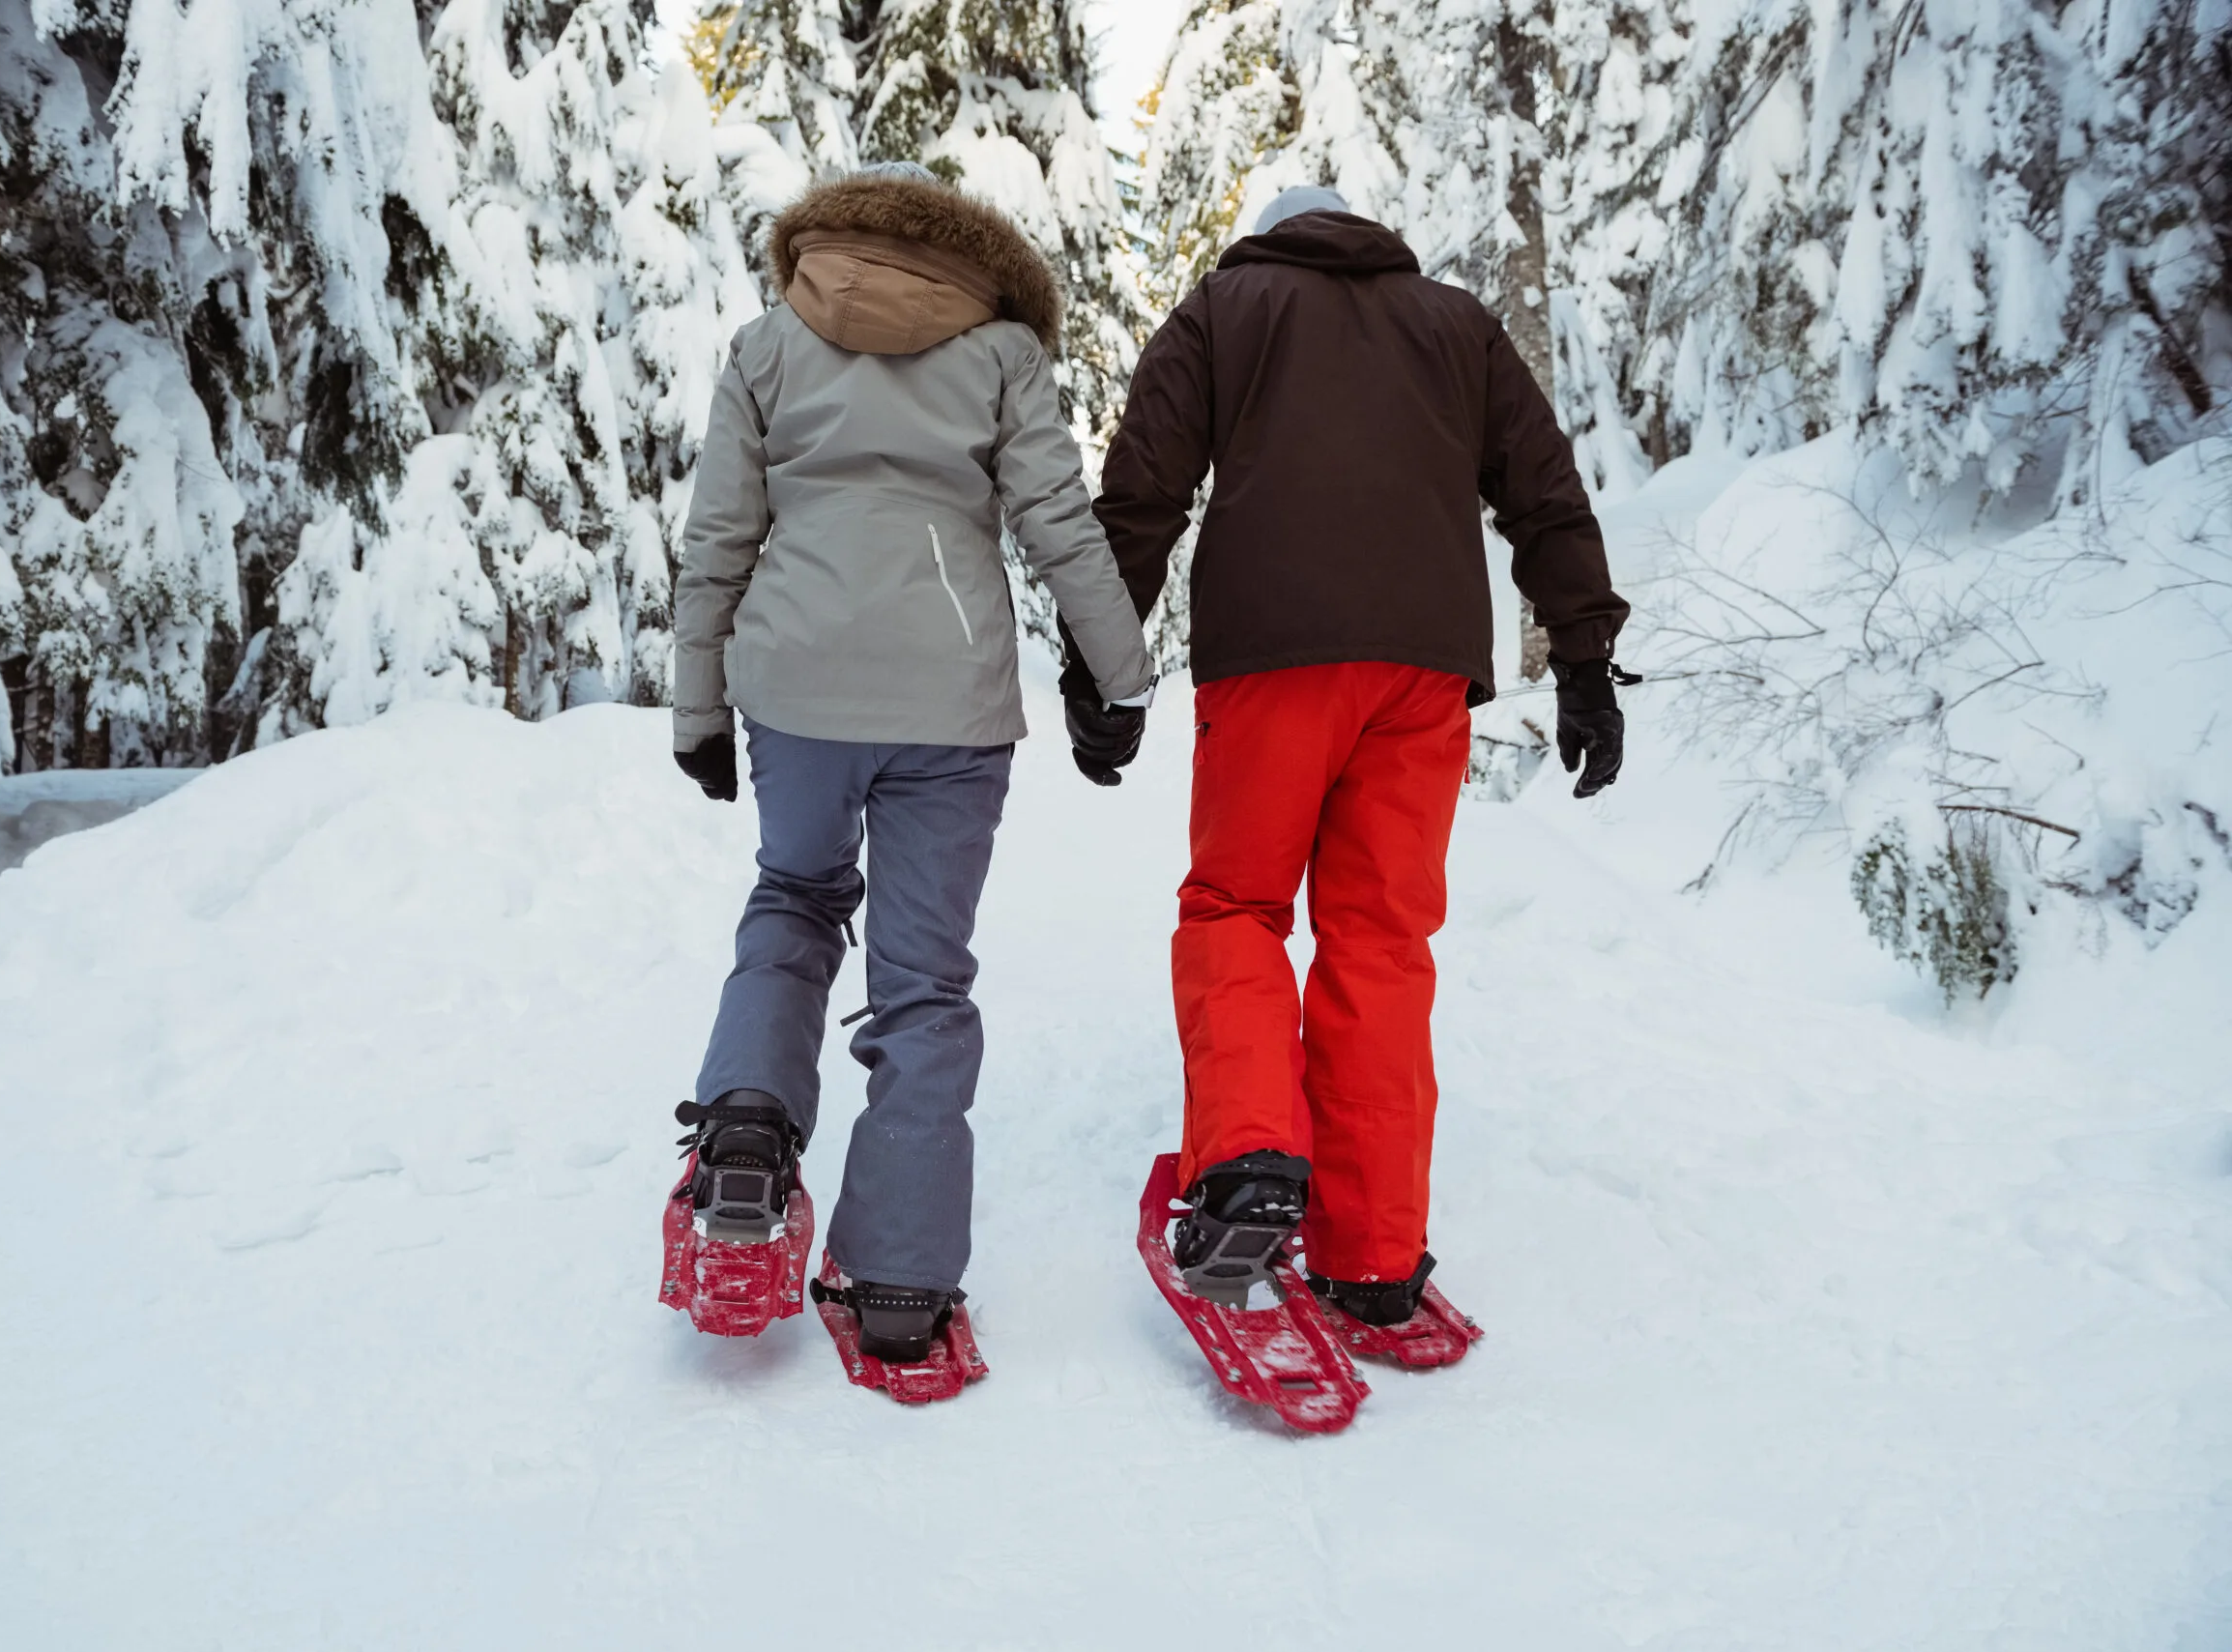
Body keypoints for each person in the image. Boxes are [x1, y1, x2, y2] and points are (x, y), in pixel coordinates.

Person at [1070, 184, 1631, 1324]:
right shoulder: (1457, 323)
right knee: (1381, 937)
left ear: (1270, 238)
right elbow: (1544, 491)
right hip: (1422, 672)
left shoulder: (1224, 309)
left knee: (1235, 904)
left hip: (1272, 658)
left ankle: (1246, 1160)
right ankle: (1372, 1255)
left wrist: (1105, 664)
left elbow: (1143, 490)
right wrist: (1581, 657)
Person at [670, 162, 1157, 1363]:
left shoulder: (767, 344)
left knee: (794, 896)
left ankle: (744, 1127)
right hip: (951, 702)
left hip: (793, 687)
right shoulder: (1001, 354)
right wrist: (1119, 675)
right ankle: (899, 1276)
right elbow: (1056, 523)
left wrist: (698, 705)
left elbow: (719, 537)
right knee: (925, 980)